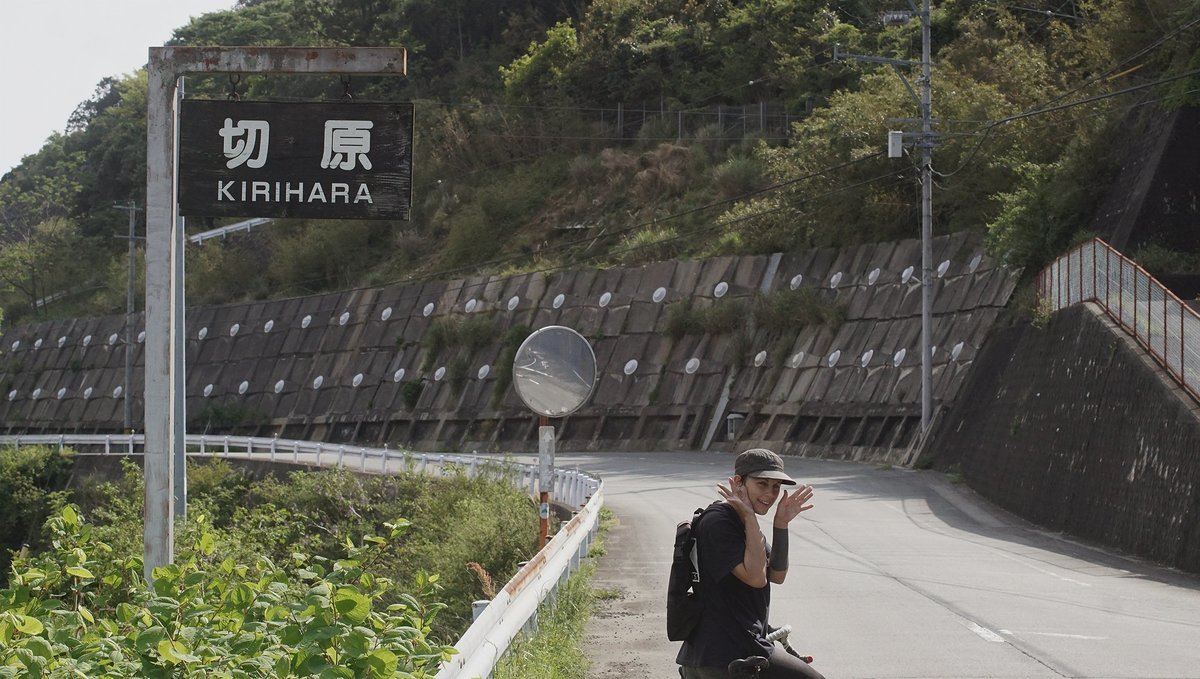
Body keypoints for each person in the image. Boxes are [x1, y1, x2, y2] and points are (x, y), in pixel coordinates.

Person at [676, 448, 826, 679]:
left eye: (776, 486)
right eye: (762, 484)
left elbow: (777, 574)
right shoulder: (720, 521)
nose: (770, 493)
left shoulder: (740, 521)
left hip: (727, 652)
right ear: (739, 482)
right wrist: (748, 516)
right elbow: (756, 578)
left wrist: (781, 524)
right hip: (728, 655)